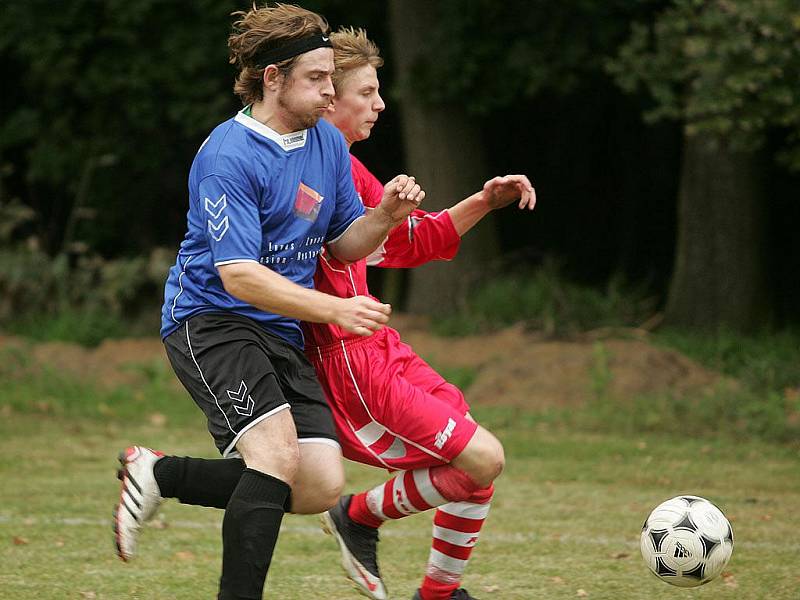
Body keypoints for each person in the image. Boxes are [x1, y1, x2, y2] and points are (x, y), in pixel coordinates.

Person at [112, 5, 424, 600]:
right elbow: (238, 277)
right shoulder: (228, 156)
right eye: (316, 79)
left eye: (332, 77)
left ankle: (158, 473)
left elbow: (341, 241)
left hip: (280, 327)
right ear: (273, 78)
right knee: (277, 458)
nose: (330, 91)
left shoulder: (325, 146)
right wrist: (333, 311)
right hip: (211, 321)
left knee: (319, 487)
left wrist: (385, 215)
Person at [308, 28, 535, 600]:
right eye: (368, 91)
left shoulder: (349, 170)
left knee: (477, 458)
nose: (381, 104)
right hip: (348, 360)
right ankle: (356, 515)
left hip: (380, 345)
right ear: (328, 96)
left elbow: (414, 240)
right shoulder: (298, 166)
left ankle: (439, 594)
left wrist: (484, 200)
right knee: (482, 457)